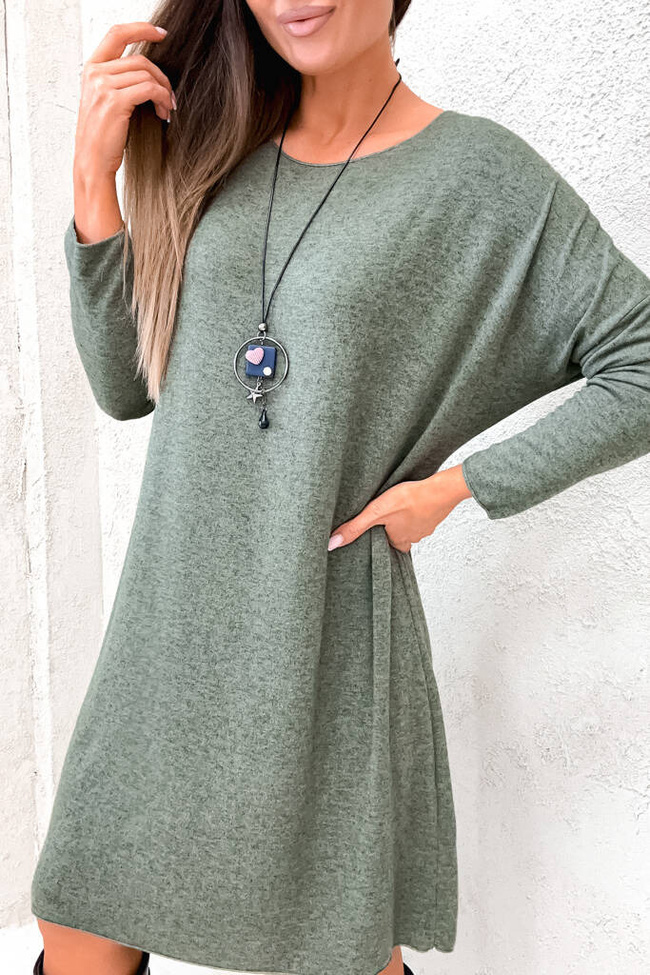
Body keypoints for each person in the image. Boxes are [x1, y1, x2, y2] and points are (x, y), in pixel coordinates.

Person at [30, 2, 650, 974]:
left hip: (320, 639)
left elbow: (639, 362)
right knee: (78, 917)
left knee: (331, 945)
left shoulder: (477, 177)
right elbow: (123, 388)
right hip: (164, 634)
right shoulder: (218, 150)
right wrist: (91, 180)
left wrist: (455, 489)